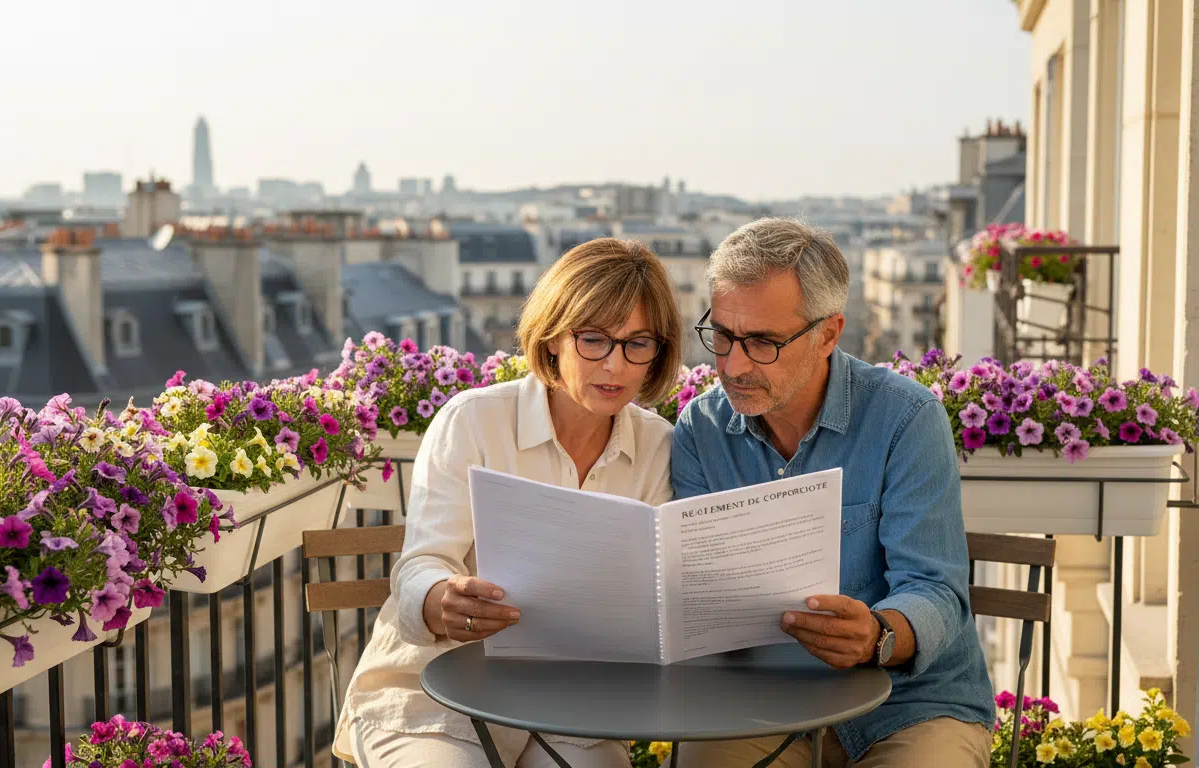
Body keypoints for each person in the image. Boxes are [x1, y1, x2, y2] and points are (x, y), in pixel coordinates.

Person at [334, 237, 686, 768]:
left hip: (575, 709)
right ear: (551, 341)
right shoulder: (473, 420)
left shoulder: (657, 445)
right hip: (434, 695)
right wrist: (440, 599)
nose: (615, 365)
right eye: (594, 340)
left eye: (638, 344)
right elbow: (421, 565)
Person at [668, 218, 994, 768]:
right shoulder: (700, 430)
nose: (733, 365)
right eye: (722, 336)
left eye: (764, 342)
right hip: (762, 705)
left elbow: (935, 588)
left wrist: (878, 636)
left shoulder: (907, 419)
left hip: (911, 703)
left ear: (828, 333)